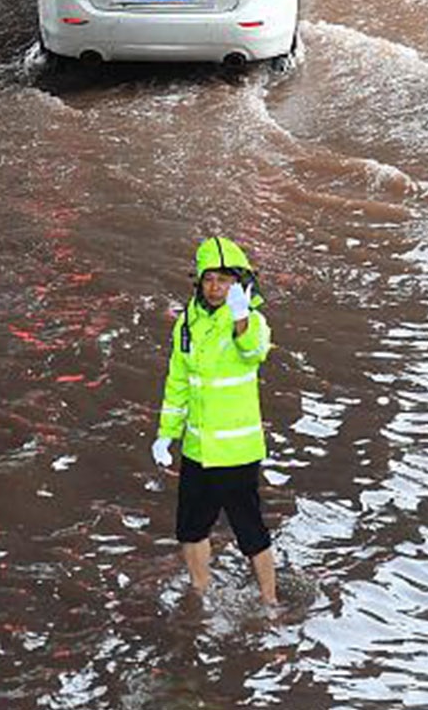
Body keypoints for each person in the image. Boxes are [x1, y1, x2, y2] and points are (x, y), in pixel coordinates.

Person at [151, 235, 278, 605]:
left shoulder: (249, 319)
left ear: (238, 282)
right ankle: (199, 592)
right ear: (198, 281)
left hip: (236, 450)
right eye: (209, 279)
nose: (215, 287)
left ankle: (270, 603)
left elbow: (256, 351)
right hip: (197, 448)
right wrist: (166, 435)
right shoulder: (186, 325)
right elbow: (177, 382)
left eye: (224, 279)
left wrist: (241, 319)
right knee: (190, 529)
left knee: (250, 533)